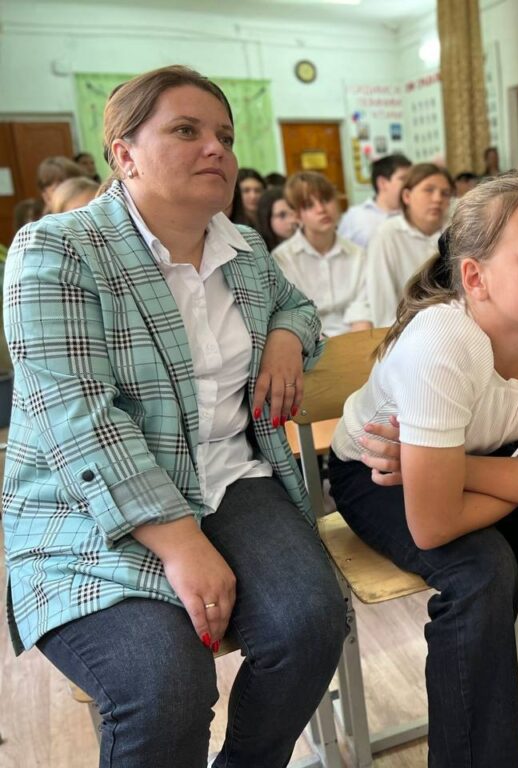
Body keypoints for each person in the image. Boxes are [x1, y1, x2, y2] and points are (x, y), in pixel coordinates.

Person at [2, 65, 345, 768]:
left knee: (311, 624)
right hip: (87, 507)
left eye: (225, 135)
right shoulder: (57, 251)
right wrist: (182, 543)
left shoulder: (244, 250)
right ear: (124, 154)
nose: (216, 148)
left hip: (227, 476)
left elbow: (298, 306)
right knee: (165, 687)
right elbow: (80, 420)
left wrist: (286, 336)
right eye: (186, 130)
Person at [326, 169, 518, 767]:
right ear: (474, 277)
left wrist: (460, 469)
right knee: (482, 570)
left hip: (475, 459)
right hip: (378, 473)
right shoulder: (442, 341)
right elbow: (435, 524)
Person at [272, 171, 371, 337]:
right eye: (309, 205)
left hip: (354, 338)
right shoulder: (283, 258)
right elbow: (291, 317)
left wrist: (355, 346)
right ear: (297, 215)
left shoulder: (358, 254)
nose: (321, 210)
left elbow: (362, 310)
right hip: (306, 342)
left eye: (326, 200)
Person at [356, 163, 453, 328]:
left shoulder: (456, 231)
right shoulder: (386, 236)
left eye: (445, 193)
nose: (438, 199)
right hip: (404, 327)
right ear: (407, 196)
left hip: (452, 323)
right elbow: (383, 301)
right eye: (429, 190)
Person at [338, 153, 412, 248]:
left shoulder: (415, 215)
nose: (410, 184)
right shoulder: (355, 216)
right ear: (382, 183)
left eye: (411, 179)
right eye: (403, 179)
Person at [254, 185, 298, 251]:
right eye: (282, 215)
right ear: (267, 219)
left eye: (294, 212)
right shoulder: (257, 250)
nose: (292, 220)